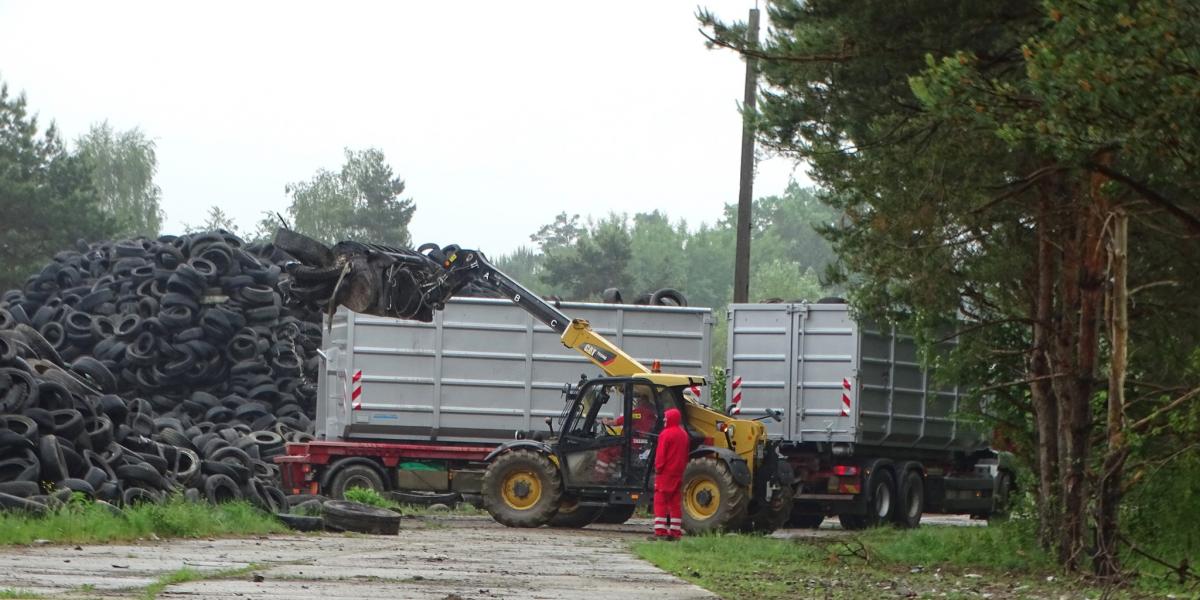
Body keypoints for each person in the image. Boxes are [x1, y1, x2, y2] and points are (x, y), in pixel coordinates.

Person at [651, 407, 688, 541]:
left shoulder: (665, 434)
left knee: (660, 501)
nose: (664, 420)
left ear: (671, 418)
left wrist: (658, 469)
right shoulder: (683, 434)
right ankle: (675, 532)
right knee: (674, 503)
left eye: (666, 417)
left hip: (665, 473)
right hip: (678, 473)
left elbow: (661, 455)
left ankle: (660, 531)